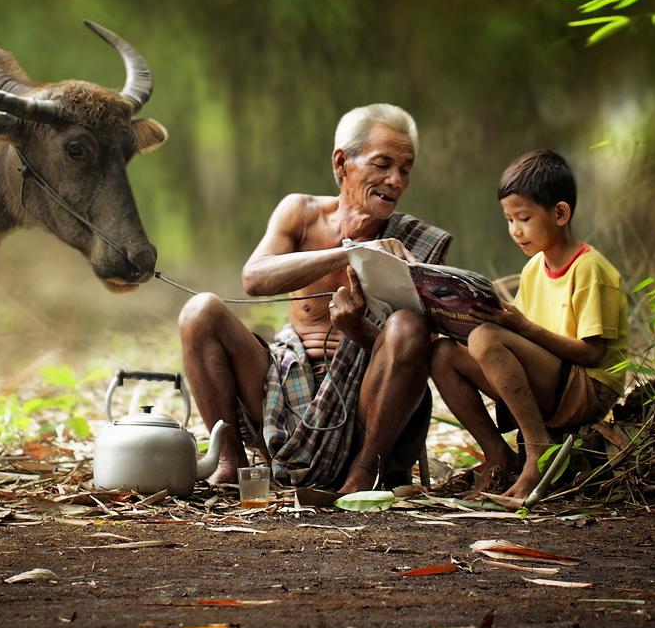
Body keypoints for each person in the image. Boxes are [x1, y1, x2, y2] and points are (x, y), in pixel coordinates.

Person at [179, 104, 451, 494]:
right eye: (382, 164)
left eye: (405, 169)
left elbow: (414, 355)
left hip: (366, 401)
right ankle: (230, 462)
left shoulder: (416, 244)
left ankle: (363, 470)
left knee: (408, 325)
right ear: (342, 163)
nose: (395, 180)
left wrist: (357, 330)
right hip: (282, 387)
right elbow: (254, 279)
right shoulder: (300, 213)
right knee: (199, 311)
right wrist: (351, 252)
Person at [430, 150, 627, 500]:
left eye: (523, 218)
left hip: (588, 387)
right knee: (443, 353)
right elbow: (516, 339)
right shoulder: (535, 268)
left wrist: (518, 326)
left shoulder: (590, 270)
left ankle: (538, 452)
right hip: (553, 377)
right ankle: (498, 455)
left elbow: (593, 354)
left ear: (560, 213)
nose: (515, 230)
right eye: (508, 220)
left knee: (487, 338)